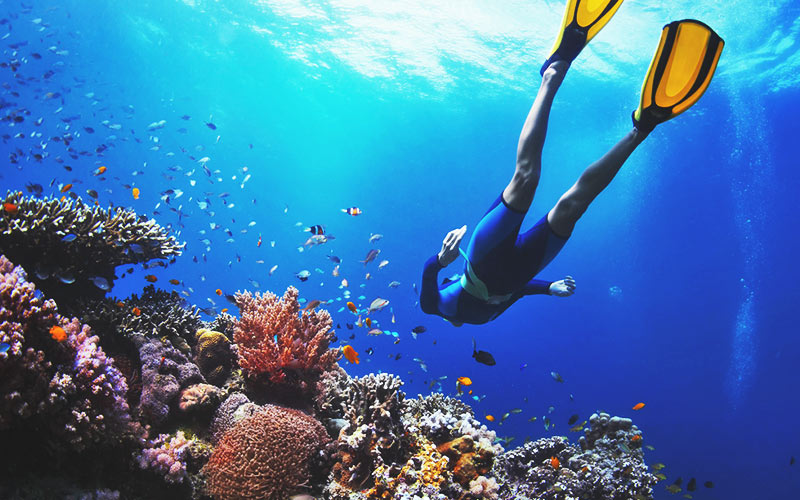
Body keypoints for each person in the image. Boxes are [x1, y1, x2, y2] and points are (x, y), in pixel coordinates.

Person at [420, 0, 724, 326]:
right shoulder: (486, 315)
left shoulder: (440, 308)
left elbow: (425, 295)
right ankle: (642, 127)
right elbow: (517, 292)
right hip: (520, 272)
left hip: (482, 258)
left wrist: (439, 262)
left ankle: (553, 73)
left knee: (526, 179)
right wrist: (548, 288)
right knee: (572, 208)